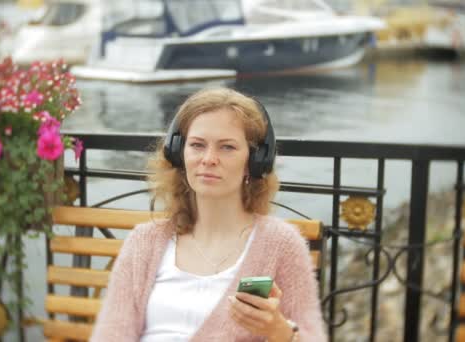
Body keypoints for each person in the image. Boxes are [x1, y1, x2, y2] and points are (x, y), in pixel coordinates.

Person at [90, 87, 325, 341]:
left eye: (227, 147)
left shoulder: (280, 244)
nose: (209, 159)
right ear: (179, 154)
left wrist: (280, 332)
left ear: (255, 161)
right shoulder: (144, 242)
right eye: (197, 145)